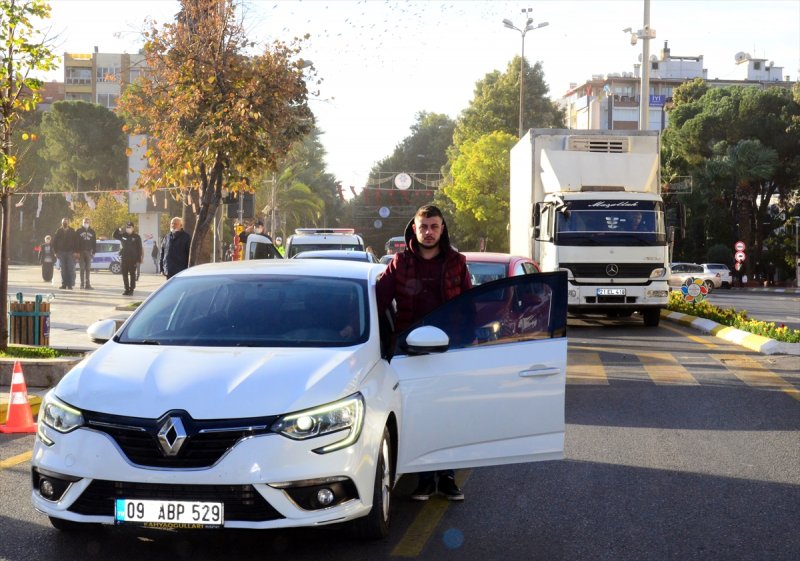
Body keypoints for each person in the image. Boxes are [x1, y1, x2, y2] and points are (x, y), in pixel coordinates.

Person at [376, 204, 472, 501]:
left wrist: (474, 340)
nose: (428, 232)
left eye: (434, 226)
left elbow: (469, 306)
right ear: (414, 230)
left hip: (448, 351)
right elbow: (379, 299)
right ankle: (425, 480)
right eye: (423, 227)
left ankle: (447, 478)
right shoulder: (400, 262)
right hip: (409, 353)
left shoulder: (458, 262)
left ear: (442, 228)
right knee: (416, 416)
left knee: (449, 415)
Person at [114, 221, 144, 296]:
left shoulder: (137, 237)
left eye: (130, 227)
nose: (128, 229)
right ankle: (126, 289)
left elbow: (139, 248)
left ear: (133, 228)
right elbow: (115, 235)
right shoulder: (123, 235)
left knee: (132, 274)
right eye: (127, 227)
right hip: (124, 258)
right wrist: (119, 229)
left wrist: (139, 258)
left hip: (133, 259)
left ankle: (131, 289)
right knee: (124, 274)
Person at [52, 218, 79, 290]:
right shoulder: (59, 231)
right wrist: (55, 252)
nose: (65, 223)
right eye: (64, 222)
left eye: (66, 222)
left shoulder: (72, 231)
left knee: (70, 269)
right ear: (61, 223)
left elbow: (76, 242)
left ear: (68, 223)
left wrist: (76, 252)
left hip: (70, 252)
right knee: (63, 269)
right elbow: (54, 242)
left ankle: (70, 285)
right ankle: (64, 284)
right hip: (61, 252)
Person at [76, 217, 97, 289]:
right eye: (85, 222)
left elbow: (94, 242)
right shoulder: (78, 231)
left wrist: (94, 251)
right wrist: (77, 252)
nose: (86, 223)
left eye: (87, 222)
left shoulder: (92, 231)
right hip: (80, 252)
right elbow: (76, 242)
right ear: (82, 222)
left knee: (88, 268)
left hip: (89, 252)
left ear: (89, 223)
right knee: (82, 268)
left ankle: (87, 285)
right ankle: (82, 284)